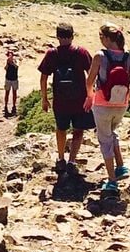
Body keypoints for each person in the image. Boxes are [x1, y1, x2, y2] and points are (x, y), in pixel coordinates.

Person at [38, 23, 96, 173]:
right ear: (72, 36)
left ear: (57, 37)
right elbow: (92, 75)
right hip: (80, 100)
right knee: (78, 130)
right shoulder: (81, 52)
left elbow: (43, 78)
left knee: (61, 129)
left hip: (60, 100)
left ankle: (61, 158)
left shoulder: (52, 54)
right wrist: (91, 95)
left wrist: (44, 98)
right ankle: (72, 161)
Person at [90, 24, 130, 192]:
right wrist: (125, 90)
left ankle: (111, 181)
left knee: (104, 139)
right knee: (111, 132)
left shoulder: (99, 56)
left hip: (102, 104)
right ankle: (121, 167)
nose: (100, 40)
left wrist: (89, 96)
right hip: (121, 104)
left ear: (108, 38)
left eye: (101, 37)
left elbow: (90, 81)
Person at [2, 49, 21, 116]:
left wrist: (12, 63)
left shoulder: (16, 60)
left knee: (14, 93)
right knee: (7, 93)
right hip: (8, 79)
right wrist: (8, 63)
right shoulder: (7, 61)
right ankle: (5, 105)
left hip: (14, 79)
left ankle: (14, 105)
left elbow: (17, 66)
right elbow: (5, 68)